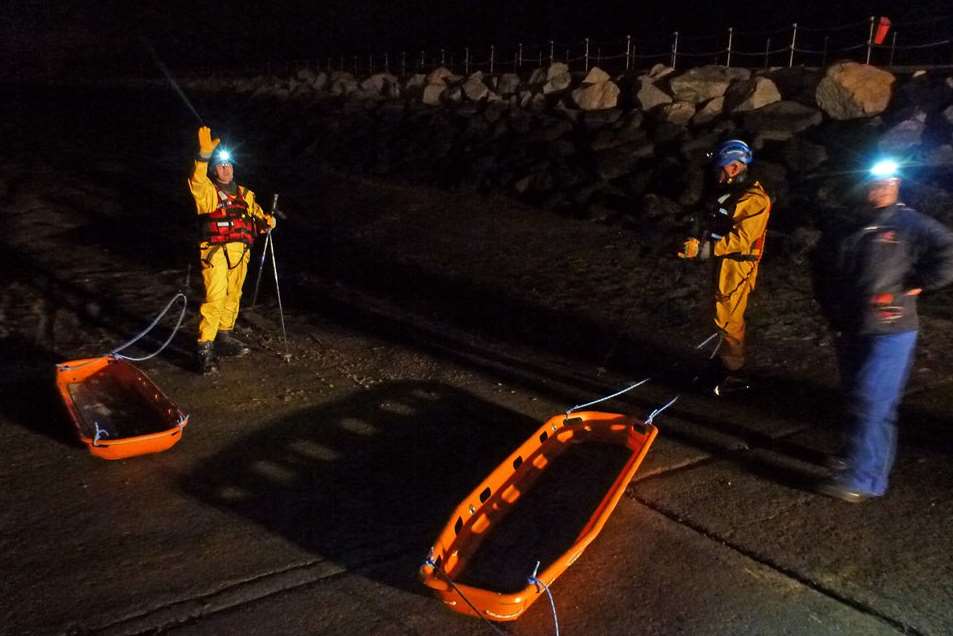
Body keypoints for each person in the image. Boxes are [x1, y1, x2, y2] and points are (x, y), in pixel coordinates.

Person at [812, 158, 953, 502]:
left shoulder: (909, 223)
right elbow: (825, 264)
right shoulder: (851, 222)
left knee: (872, 400)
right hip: (850, 325)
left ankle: (865, 478)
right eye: (875, 182)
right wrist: (830, 305)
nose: (881, 188)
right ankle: (855, 456)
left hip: (890, 328)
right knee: (861, 398)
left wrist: (921, 281)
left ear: (897, 185)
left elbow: (948, 250)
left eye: (888, 182)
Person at [678, 139, 772, 396]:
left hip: (739, 267)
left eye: (720, 168)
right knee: (720, 314)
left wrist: (704, 250)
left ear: (732, 167)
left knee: (729, 319)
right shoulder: (733, 192)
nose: (716, 173)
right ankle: (724, 365)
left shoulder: (754, 199)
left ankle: (734, 373)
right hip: (725, 262)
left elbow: (742, 239)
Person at [189, 126, 276, 374]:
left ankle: (224, 336)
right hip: (215, 252)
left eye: (229, 165)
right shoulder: (208, 192)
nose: (226, 170)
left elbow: (258, 218)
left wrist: (268, 221)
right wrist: (202, 157)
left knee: (233, 295)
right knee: (215, 298)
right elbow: (196, 182)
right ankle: (204, 348)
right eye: (220, 165)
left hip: (240, 254)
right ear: (214, 169)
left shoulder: (246, 195)